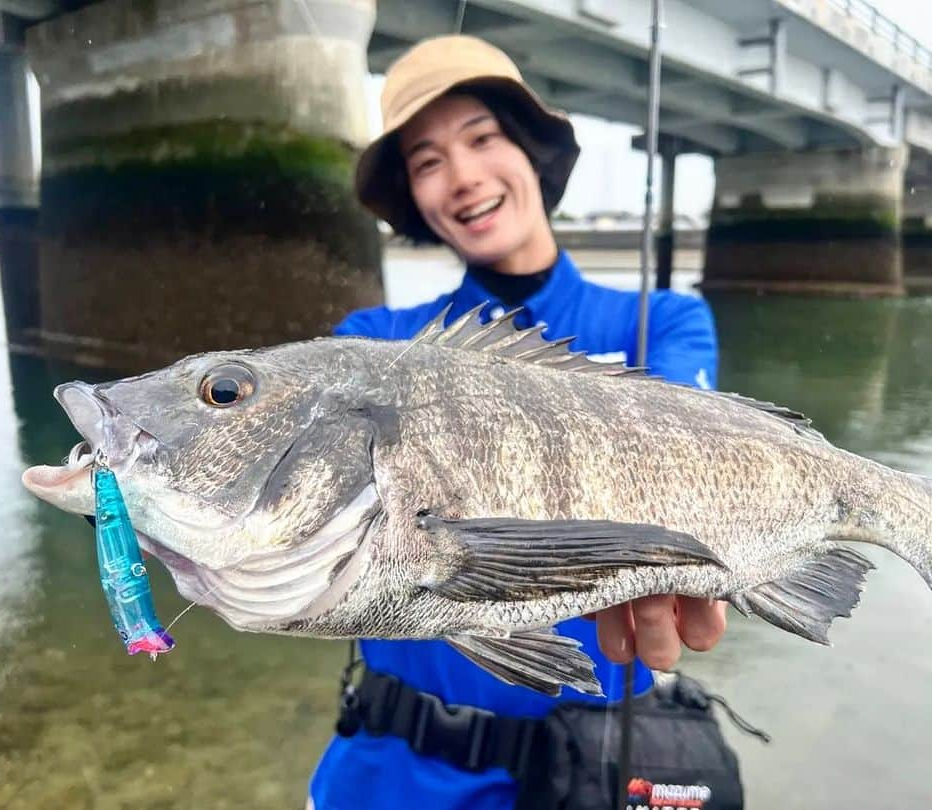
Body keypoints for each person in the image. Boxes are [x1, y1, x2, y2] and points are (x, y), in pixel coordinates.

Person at [309, 34, 730, 810]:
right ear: (414, 197)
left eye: (483, 138)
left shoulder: (662, 323)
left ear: (532, 151)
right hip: (385, 781)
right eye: (427, 161)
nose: (462, 177)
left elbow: (692, 466)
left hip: (582, 777)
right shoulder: (373, 341)